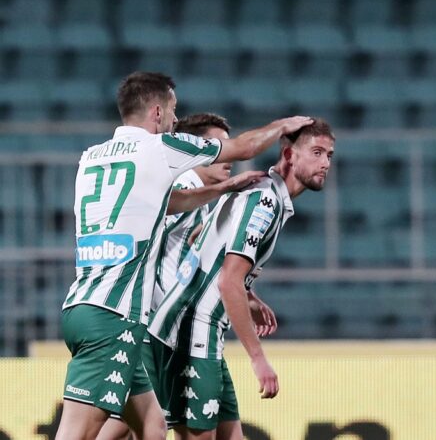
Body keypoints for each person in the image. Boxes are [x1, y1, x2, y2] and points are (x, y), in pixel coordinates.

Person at [57, 71, 313, 440]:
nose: (176, 119)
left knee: (152, 426)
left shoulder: (91, 157)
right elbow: (242, 148)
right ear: (157, 112)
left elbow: (165, 205)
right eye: (173, 110)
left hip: (84, 303)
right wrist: (282, 125)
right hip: (114, 314)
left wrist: (222, 189)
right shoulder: (161, 149)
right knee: (77, 433)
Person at [146, 119, 335, 439]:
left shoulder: (263, 192)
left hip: (204, 331)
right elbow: (227, 281)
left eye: (329, 155)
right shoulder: (265, 201)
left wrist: (248, 294)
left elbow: (200, 238)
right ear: (289, 155)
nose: (325, 163)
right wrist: (258, 359)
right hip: (189, 331)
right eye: (316, 153)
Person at [98, 112, 261, 440]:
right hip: (162, 331)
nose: (227, 156)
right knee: (134, 423)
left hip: (192, 331)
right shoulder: (184, 187)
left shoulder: (204, 196)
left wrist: (247, 295)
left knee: (216, 428)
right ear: (198, 150)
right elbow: (149, 230)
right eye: (218, 146)